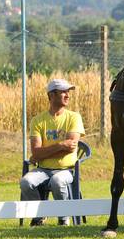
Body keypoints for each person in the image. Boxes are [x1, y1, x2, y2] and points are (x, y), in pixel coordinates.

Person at [20, 79, 85, 227]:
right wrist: (61, 145)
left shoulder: (74, 117)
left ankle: (64, 218)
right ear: (51, 96)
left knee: (57, 181)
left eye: (68, 92)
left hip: (66, 170)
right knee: (26, 182)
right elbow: (36, 153)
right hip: (42, 170)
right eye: (63, 91)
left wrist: (43, 153)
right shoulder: (37, 120)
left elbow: (70, 148)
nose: (67, 95)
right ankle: (39, 216)